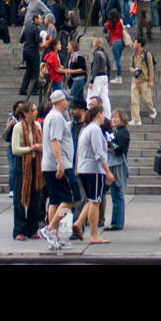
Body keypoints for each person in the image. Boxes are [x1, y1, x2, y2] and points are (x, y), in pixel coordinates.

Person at [38, 89, 75, 250]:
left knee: (54, 200)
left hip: (49, 165)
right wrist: (60, 162)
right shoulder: (57, 118)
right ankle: (50, 228)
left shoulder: (51, 117)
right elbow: (55, 141)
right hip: (59, 165)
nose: (68, 103)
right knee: (71, 198)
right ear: (60, 101)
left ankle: (54, 238)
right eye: (66, 100)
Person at [71, 103, 112, 244]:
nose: (105, 117)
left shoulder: (86, 129)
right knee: (95, 201)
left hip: (84, 168)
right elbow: (99, 153)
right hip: (93, 170)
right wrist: (107, 171)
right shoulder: (94, 129)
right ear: (99, 114)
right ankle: (94, 235)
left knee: (91, 199)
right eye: (103, 113)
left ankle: (79, 222)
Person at [10, 102, 45, 240]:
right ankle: (19, 230)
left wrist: (40, 147)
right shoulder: (18, 127)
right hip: (23, 164)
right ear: (25, 113)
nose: (36, 112)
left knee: (36, 198)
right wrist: (31, 148)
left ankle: (32, 228)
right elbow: (15, 149)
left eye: (36, 110)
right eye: (33, 110)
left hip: (36, 163)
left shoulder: (37, 126)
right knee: (20, 198)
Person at [105, 110, 130, 231]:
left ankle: (117, 222)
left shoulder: (123, 133)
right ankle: (116, 220)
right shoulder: (117, 132)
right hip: (114, 163)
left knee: (117, 194)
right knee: (115, 194)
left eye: (116, 118)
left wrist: (111, 148)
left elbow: (121, 150)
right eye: (113, 117)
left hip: (118, 165)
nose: (113, 119)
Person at [128, 39, 157, 125]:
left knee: (147, 99)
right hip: (135, 80)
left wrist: (151, 80)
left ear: (139, 44)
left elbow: (151, 68)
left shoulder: (147, 54)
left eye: (135, 42)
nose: (134, 44)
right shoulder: (133, 55)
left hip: (144, 80)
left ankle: (152, 110)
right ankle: (136, 119)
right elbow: (130, 66)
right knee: (134, 100)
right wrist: (133, 70)